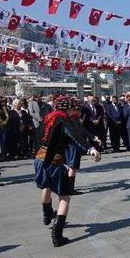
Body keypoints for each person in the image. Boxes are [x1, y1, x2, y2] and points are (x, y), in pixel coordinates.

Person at [34, 96, 101, 247]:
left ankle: (47, 215)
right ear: (69, 108)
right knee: (65, 198)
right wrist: (90, 149)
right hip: (54, 161)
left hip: (39, 158)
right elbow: (75, 136)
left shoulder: (48, 117)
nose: (74, 110)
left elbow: (37, 136)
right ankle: (57, 236)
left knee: (46, 187)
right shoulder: (63, 120)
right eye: (73, 108)